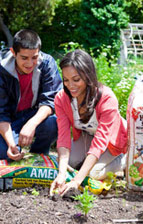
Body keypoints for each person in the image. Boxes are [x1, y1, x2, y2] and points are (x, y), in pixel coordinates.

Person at [50, 49, 127, 196]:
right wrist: (61, 174)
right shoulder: (62, 99)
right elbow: (63, 137)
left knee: (94, 174)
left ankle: (124, 159)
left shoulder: (107, 98)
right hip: (87, 135)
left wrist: (76, 181)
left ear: (88, 76)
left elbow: (100, 142)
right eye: (66, 80)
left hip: (113, 140)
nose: (70, 85)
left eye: (76, 79)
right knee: (68, 164)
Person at [0, 29, 62, 161]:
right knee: (4, 153)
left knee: (53, 123)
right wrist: (11, 144)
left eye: (35, 57)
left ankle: (38, 154)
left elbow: (50, 100)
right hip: (10, 118)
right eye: (24, 58)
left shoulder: (47, 64)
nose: (30, 63)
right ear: (13, 52)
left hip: (34, 114)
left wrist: (31, 124)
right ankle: (14, 151)